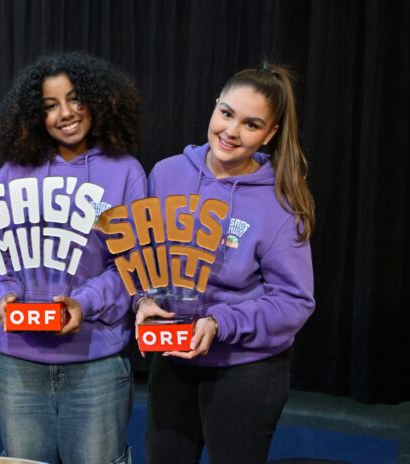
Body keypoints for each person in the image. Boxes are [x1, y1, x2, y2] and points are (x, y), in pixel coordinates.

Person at [138, 64, 315, 463]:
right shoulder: (166, 173)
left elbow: (294, 301)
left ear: (269, 133)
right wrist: (144, 299)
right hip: (174, 356)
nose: (232, 131)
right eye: (227, 113)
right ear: (215, 106)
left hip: (246, 365)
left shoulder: (280, 200)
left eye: (251, 124)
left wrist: (219, 322)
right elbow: (143, 258)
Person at [0, 52, 146, 464]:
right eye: (50, 105)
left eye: (75, 99)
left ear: (96, 100)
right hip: (19, 361)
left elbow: (131, 268)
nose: (66, 113)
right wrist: (3, 297)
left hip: (96, 362)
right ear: (34, 115)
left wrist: (83, 303)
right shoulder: (13, 172)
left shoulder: (126, 172)